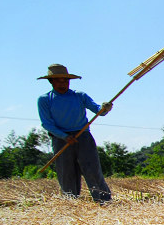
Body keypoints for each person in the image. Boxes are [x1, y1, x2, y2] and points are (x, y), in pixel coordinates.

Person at [37, 64, 113, 203]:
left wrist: (105, 108)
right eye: (58, 81)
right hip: (61, 139)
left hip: (83, 136)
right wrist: (64, 136)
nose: (62, 84)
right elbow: (47, 123)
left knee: (92, 169)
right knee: (66, 172)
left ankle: (104, 200)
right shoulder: (45, 100)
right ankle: (70, 202)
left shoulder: (79, 96)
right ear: (51, 82)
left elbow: (98, 111)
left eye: (65, 80)